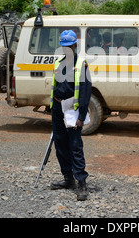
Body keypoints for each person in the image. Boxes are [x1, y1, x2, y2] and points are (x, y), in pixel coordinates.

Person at [49, 30, 92, 201]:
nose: (66, 49)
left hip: (73, 110)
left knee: (75, 146)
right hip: (58, 108)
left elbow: (85, 92)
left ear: (75, 45)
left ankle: (81, 182)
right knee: (60, 144)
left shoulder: (82, 64)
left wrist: (81, 115)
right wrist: (52, 106)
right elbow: (55, 86)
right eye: (64, 46)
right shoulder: (58, 63)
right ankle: (68, 179)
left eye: (69, 46)